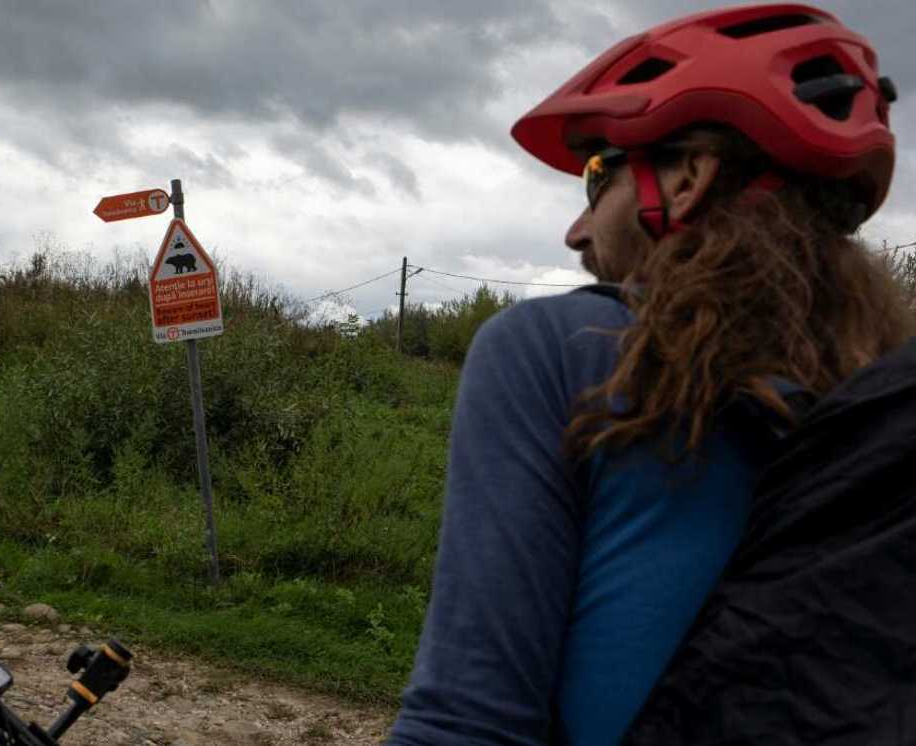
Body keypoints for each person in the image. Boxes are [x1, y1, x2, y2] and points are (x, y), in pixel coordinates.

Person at [387, 4, 915, 744]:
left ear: (688, 178)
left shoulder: (560, 348)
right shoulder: (891, 404)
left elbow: (468, 721)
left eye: (595, 177)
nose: (575, 231)